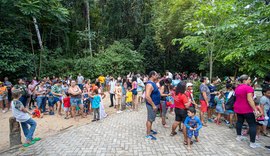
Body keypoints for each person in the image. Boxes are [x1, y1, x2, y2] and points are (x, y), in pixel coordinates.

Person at [234, 75, 260, 148]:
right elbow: (249, 99)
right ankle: (252, 143)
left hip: (238, 108)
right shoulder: (248, 88)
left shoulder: (237, 88)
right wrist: (255, 109)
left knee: (239, 122)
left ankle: (238, 137)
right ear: (244, 80)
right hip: (247, 109)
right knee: (252, 125)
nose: (250, 81)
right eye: (249, 79)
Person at [170, 82, 191, 146]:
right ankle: (185, 140)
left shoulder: (175, 93)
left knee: (176, 121)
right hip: (183, 111)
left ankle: (172, 132)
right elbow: (186, 106)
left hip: (177, 109)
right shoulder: (183, 95)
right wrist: (189, 101)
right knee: (185, 125)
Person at [145, 71, 161, 140]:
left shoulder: (153, 83)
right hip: (152, 105)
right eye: (156, 75)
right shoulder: (149, 84)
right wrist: (153, 105)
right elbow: (147, 96)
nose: (157, 76)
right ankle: (148, 134)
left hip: (154, 104)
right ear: (152, 75)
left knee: (151, 119)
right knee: (150, 119)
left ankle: (150, 130)